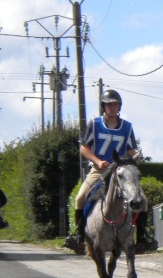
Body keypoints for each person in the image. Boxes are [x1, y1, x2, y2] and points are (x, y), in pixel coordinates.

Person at [62, 89, 157, 255]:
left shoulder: (127, 127)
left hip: (119, 172)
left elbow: (129, 151)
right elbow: (83, 149)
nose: (112, 107)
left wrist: (131, 160)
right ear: (103, 106)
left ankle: (142, 239)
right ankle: (78, 237)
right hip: (99, 171)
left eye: (115, 104)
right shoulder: (94, 124)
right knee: (80, 198)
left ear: (119, 106)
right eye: (109, 104)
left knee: (143, 200)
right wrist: (98, 161)